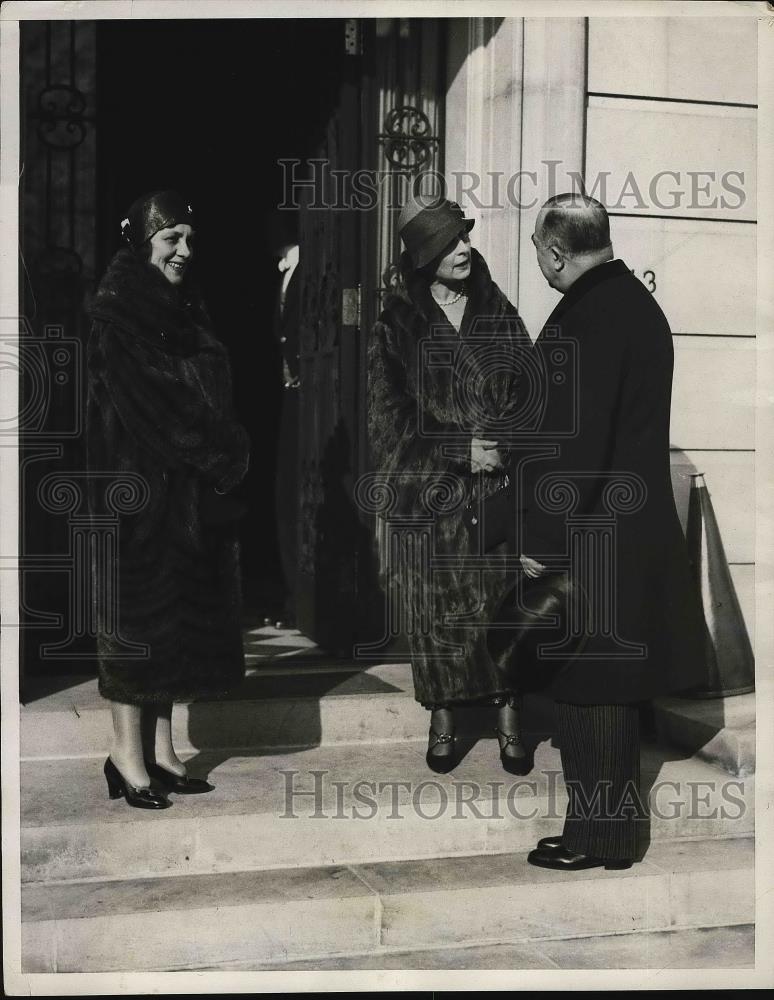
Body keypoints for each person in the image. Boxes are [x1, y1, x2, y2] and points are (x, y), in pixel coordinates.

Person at [510, 193, 706, 869]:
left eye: (538, 248)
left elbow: (575, 446)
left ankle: (597, 839)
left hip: (594, 536)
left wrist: (540, 543)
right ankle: (611, 837)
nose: (538, 261)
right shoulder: (637, 305)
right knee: (607, 695)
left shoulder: (588, 317)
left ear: (558, 251)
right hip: (627, 532)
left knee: (589, 694)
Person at [87, 190, 250, 809]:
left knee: (170, 626)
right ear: (142, 243)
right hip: (134, 495)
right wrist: (227, 449)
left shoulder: (185, 306)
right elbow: (159, 404)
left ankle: (159, 750)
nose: (184, 251)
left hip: (180, 494)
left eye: (188, 238)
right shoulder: (117, 312)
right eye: (170, 240)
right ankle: (125, 757)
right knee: (134, 627)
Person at [368, 194, 533, 773]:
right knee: (436, 607)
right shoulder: (396, 324)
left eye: (464, 237)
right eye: (448, 243)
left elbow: (532, 397)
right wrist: (461, 450)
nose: (464, 249)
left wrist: (502, 449)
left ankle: (510, 709)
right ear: (422, 256)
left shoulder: (498, 311)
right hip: (434, 493)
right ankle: (442, 712)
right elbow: (388, 422)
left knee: (502, 603)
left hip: (497, 492)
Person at [271, 218, 301, 627]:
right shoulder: (283, 272)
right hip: (288, 395)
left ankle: (302, 602)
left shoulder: (310, 270)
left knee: (296, 494)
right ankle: (294, 599)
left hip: (307, 400)